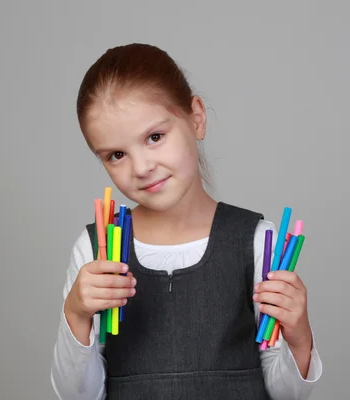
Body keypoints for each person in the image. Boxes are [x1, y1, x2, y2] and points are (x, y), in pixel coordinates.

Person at [50, 43, 322, 399]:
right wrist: (76, 314)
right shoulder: (97, 250)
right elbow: (77, 396)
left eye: (155, 137)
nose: (142, 167)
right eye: (117, 155)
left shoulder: (257, 243)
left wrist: (299, 336)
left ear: (196, 117)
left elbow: (285, 394)